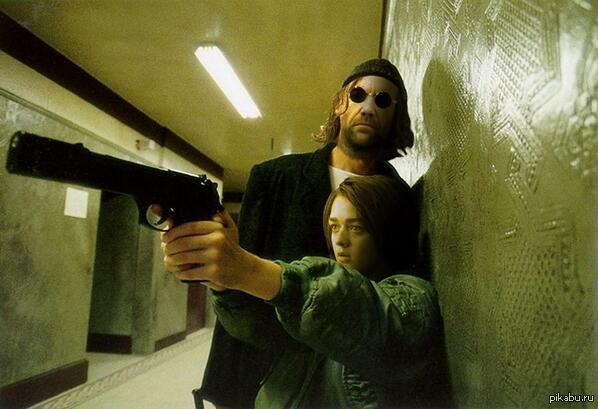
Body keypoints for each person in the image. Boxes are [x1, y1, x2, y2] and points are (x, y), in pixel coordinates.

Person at [173, 58, 416, 408]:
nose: (367, 108)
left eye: (382, 100)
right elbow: (237, 276)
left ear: (395, 115)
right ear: (340, 104)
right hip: (269, 373)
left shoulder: (401, 198)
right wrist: (227, 388)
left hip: (349, 383)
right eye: (358, 95)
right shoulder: (275, 178)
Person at [161, 175, 443, 408]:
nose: (340, 240)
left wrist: (247, 269)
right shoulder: (314, 307)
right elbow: (263, 324)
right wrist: (222, 282)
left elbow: (357, 308)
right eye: (334, 226)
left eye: (356, 227)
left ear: (388, 231)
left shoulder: (411, 296)